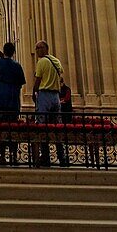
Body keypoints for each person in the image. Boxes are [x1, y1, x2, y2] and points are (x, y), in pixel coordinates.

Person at [32, 39, 67, 167]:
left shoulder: (41, 62)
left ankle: (45, 157)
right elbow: (61, 75)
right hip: (56, 96)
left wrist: (34, 91)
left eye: (40, 48)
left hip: (45, 95)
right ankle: (62, 157)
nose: (37, 51)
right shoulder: (56, 60)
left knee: (42, 126)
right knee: (57, 127)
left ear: (46, 49)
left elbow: (38, 79)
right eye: (36, 48)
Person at [0, 41, 25, 164]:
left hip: (1, 101)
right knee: (13, 128)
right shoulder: (17, 65)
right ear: (13, 52)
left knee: (1, 128)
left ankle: (3, 156)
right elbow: (20, 84)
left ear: (3, 51)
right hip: (13, 101)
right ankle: (14, 156)